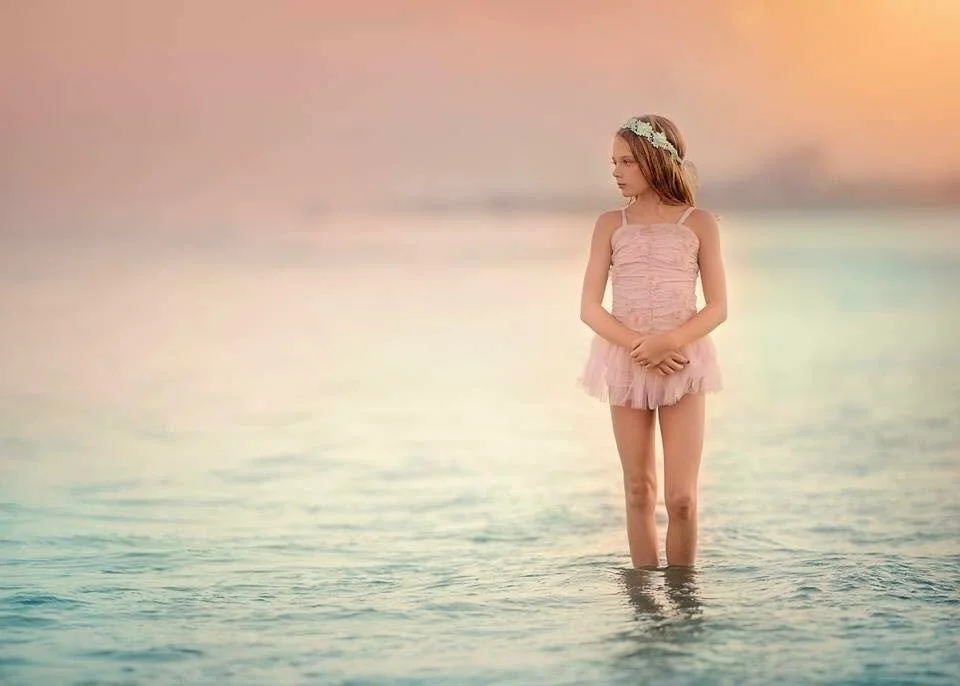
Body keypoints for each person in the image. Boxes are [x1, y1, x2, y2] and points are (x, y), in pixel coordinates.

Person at [578, 114, 727, 569]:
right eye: (613, 163)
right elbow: (589, 308)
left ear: (654, 159)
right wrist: (640, 345)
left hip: (682, 361)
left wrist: (671, 341)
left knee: (681, 498)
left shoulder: (698, 223)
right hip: (626, 361)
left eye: (626, 161)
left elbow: (718, 306)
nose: (616, 171)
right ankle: (643, 603)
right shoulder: (610, 224)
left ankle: (683, 597)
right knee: (639, 489)